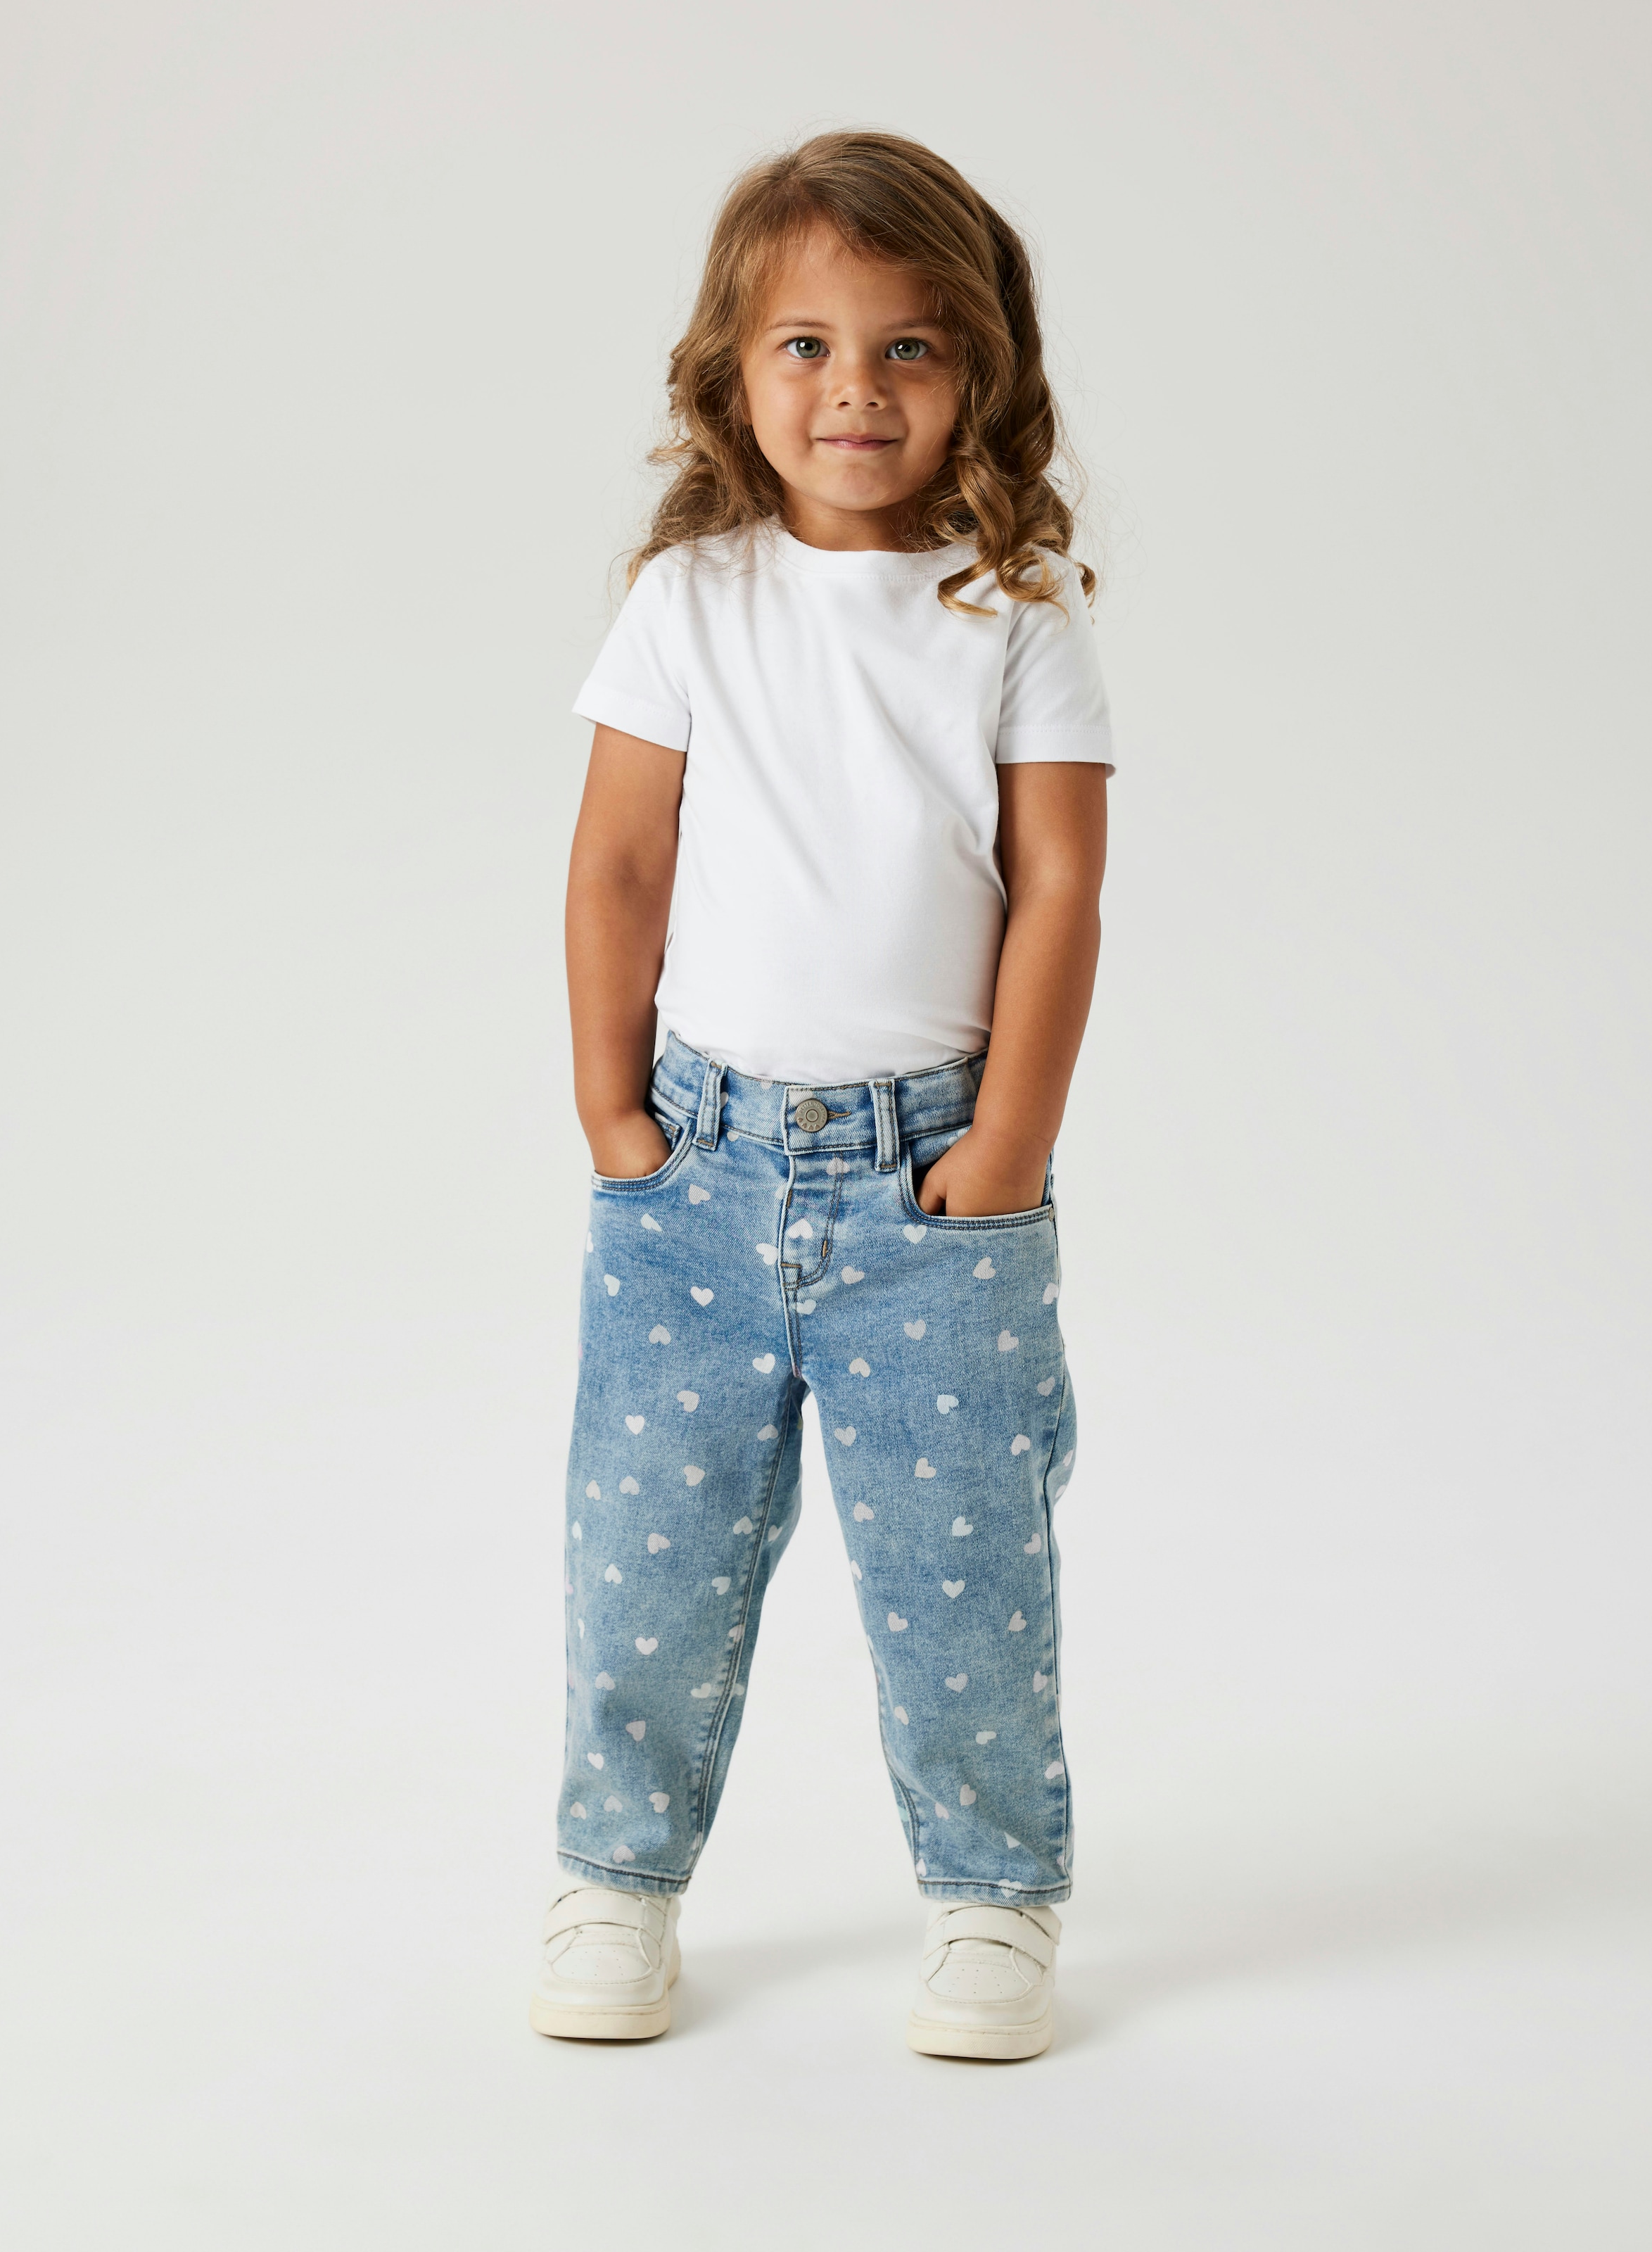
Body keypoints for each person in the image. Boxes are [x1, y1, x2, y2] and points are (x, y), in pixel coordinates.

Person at [531, 129, 1115, 2061]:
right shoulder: (690, 600)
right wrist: (615, 1119)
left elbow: (1058, 893)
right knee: (647, 1554)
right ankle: (616, 1878)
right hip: (694, 1176)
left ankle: (994, 1894)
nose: (855, 388)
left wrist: (1007, 1150)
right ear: (733, 370)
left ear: (981, 374)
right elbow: (619, 860)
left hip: (934, 1194)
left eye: (908, 346)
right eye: (806, 345)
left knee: (965, 1576)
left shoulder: (1014, 613)